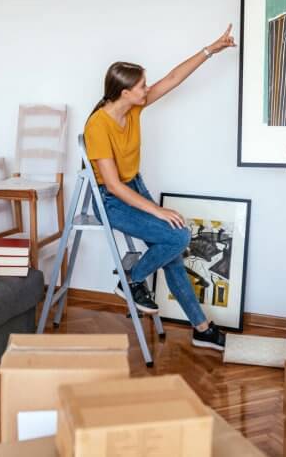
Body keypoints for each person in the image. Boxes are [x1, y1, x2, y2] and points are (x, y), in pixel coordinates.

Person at [84, 25, 236, 351]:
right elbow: (111, 184)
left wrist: (211, 49)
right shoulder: (98, 125)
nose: (147, 88)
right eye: (141, 86)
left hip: (133, 187)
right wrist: (158, 209)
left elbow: (173, 79)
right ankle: (132, 281)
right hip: (111, 199)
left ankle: (201, 327)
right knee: (178, 235)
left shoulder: (134, 107)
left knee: (172, 253)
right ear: (124, 92)